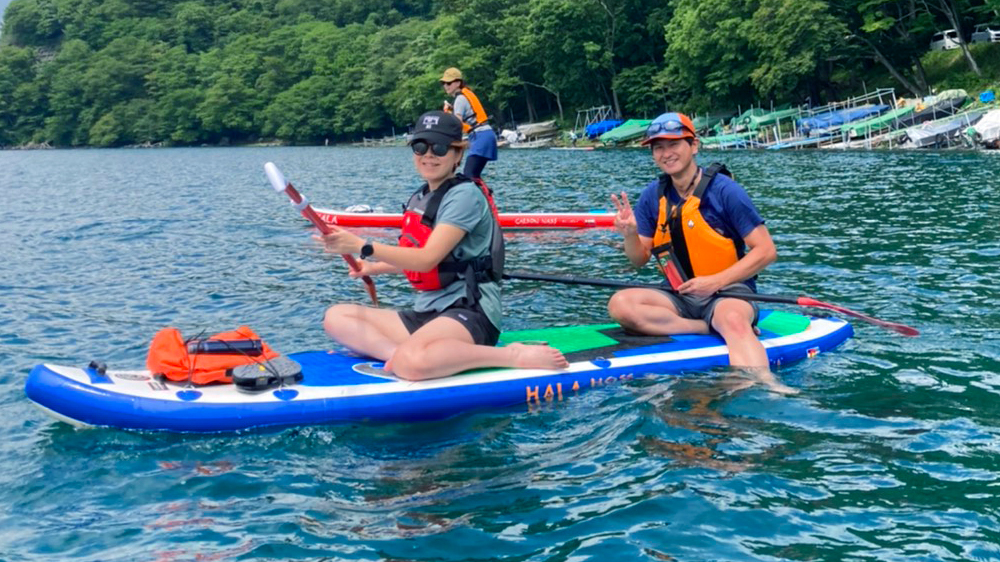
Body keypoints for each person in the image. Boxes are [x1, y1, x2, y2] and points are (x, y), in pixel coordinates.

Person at [316, 111, 567, 381]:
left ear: (457, 155)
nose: (429, 155)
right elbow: (422, 257)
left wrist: (362, 245)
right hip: (429, 310)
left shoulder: (465, 196)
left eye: (440, 148)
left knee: (411, 363)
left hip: (470, 310)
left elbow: (427, 259)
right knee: (336, 316)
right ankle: (399, 356)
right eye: (421, 147)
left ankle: (512, 355)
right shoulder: (423, 196)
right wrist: (373, 267)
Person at [607, 112, 794, 394]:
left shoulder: (725, 191)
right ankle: (702, 327)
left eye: (674, 144)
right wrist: (631, 234)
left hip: (728, 292)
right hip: (679, 293)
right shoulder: (651, 197)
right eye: (658, 147)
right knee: (620, 304)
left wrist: (715, 282)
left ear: (693, 146)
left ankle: (764, 385)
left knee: (731, 320)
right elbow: (638, 260)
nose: (666, 154)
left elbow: (766, 251)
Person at [440, 67, 498, 182]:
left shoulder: (460, 99)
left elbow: (456, 125)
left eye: (449, 83)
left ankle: (478, 196)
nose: (446, 86)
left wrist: (451, 144)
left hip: (481, 136)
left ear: (457, 83)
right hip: (485, 134)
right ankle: (484, 195)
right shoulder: (464, 95)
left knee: (469, 175)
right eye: (444, 83)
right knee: (473, 174)